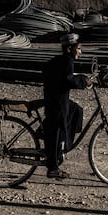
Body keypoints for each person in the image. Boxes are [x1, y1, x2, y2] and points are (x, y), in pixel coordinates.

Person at [42, 32, 91, 179]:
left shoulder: (61, 60)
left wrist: (80, 78)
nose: (80, 52)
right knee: (57, 128)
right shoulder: (67, 61)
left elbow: (66, 77)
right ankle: (53, 167)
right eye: (79, 48)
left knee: (76, 110)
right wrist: (84, 81)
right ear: (70, 49)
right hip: (57, 102)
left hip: (56, 99)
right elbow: (68, 80)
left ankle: (63, 146)